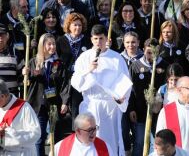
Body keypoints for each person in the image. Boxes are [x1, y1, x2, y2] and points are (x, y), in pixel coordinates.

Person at [71, 24, 133, 156]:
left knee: (110, 140)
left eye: (101, 38)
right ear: (91, 39)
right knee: (90, 139)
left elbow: (125, 82)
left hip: (110, 106)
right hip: (91, 104)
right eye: (95, 39)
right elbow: (75, 82)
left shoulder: (116, 58)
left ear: (106, 39)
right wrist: (88, 70)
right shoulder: (84, 57)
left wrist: (121, 97)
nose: (98, 42)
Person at [24, 33, 69, 155]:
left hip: (54, 103)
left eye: (53, 44)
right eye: (49, 44)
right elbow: (25, 82)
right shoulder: (34, 62)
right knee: (39, 136)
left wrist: (65, 102)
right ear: (42, 45)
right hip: (38, 104)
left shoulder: (58, 64)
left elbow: (65, 84)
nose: (52, 47)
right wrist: (28, 74)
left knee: (57, 136)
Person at [128, 38, 163, 156]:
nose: (152, 55)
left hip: (159, 113)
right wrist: (131, 108)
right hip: (140, 111)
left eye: (154, 52)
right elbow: (131, 90)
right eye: (148, 52)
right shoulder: (135, 66)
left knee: (159, 142)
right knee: (139, 141)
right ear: (143, 50)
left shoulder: (164, 65)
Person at [0, 78, 40, 155]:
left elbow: (36, 133)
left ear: (3, 96)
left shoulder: (24, 107)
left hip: (21, 153)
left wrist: (9, 133)